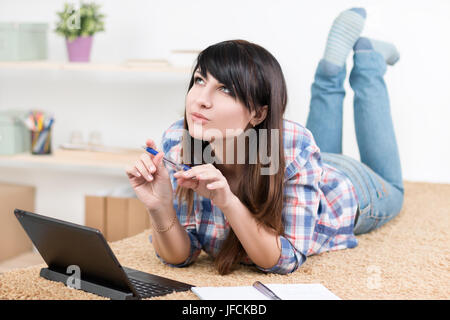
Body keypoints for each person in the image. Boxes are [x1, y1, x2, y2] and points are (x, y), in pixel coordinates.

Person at [125, 8, 404, 275]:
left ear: (259, 113)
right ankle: (330, 73)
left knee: (394, 188)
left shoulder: (292, 147)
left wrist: (228, 202)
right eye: (199, 80)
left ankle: (370, 62)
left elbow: (286, 258)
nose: (200, 99)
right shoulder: (179, 142)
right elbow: (179, 256)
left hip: (346, 186)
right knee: (309, 145)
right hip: (303, 165)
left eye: (224, 89)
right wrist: (159, 206)